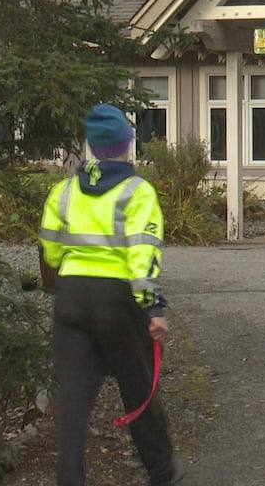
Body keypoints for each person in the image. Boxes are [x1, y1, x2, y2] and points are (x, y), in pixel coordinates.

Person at [38, 104, 181, 486]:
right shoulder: (137, 192)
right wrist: (153, 307)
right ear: (127, 145)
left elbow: (50, 248)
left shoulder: (64, 191)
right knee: (139, 391)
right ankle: (162, 473)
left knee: (71, 403)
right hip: (118, 301)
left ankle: (70, 479)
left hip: (71, 297)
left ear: (91, 146)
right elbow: (142, 253)